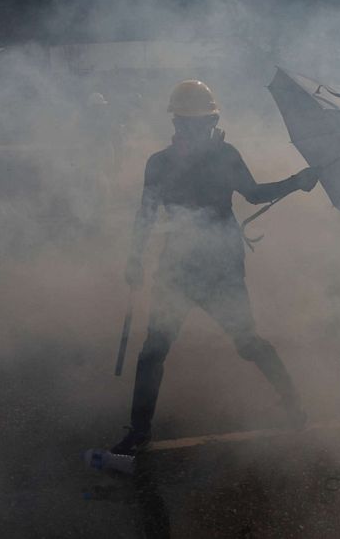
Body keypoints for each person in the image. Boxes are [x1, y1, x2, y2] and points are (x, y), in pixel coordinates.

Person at [111, 80, 318, 456]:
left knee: (246, 342)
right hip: (177, 265)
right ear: (174, 123)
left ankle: (293, 406)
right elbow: (146, 213)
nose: (188, 129)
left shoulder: (226, 157)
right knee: (153, 350)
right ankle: (140, 431)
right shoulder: (159, 163)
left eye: (196, 123)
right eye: (183, 123)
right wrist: (135, 258)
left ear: (212, 121)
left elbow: (253, 194)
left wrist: (296, 182)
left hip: (221, 265)